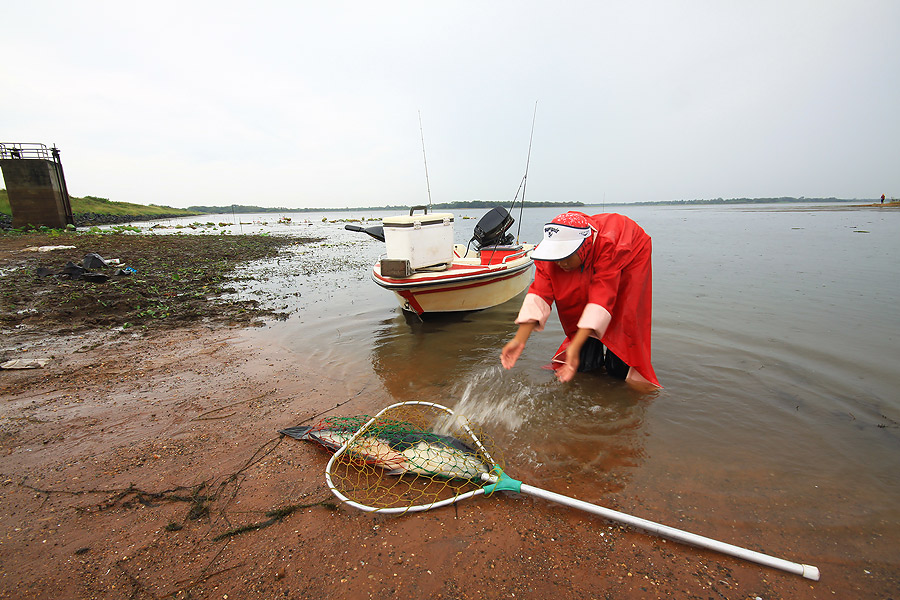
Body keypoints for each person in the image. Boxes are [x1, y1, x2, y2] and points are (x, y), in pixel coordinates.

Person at [501, 211, 661, 389]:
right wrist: (519, 340)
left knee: (624, 314)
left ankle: (619, 361)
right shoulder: (550, 257)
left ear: (584, 247)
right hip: (591, 252)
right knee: (576, 302)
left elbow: (602, 297)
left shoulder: (608, 248)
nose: (561, 263)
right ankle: (590, 355)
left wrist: (574, 348)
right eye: (557, 257)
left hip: (629, 249)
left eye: (566, 256)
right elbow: (539, 296)